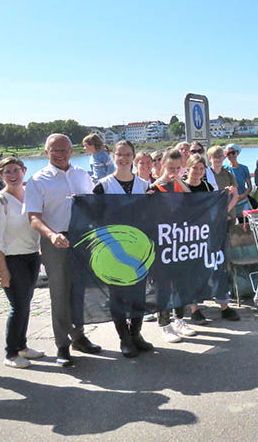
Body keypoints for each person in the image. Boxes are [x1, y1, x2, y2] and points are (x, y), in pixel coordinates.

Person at [25, 133, 102, 367]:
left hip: (82, 239)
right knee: (59, 294)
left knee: (80, 291)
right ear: (46, 152)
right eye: (55, 150)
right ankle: (62, 344)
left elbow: (92, 205)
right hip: (55, 241)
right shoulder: (38, 180)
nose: (60, 154)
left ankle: (79, 337)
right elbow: (33, 217)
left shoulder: (82, 175)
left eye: (65, 149)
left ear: (72, 150)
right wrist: (51, 235)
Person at [92, 140, 153, 358]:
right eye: (120, 154)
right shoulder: (103, 186)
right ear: (113, 156)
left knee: (138, 295)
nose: (124, 158)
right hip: (112, 248)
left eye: (128, 154)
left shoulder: (145, 186)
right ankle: (124, 338)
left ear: (133, 157)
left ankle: (136, 333)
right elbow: (94, 217)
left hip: (139, 248)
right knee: (117, 294)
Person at [0, 157, 45, 369]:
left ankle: (22, 346)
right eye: (7, 172)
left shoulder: (29, 196)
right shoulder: (0, 201)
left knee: (25, 304)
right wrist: (2, 269)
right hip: (12, 259)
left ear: (24, 171)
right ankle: (11, 353)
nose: (12, 176)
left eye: (16, 171)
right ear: (1, 175)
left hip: (32, 256)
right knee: (18, 306)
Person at [181, 154, 240, 326]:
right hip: (189, 236)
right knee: (192, 271)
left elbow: (215, 207)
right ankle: (194, 309)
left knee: (216, 267)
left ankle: (224, 305)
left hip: (207, 233)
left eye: (201, 169)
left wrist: (232, 197)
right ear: (188, 168)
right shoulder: (181, 185)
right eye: (195, 168)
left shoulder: (207, 185)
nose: (198, 172)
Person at [147, 148, 190, 343]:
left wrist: (179, 180)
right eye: (171, 167)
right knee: (163, 284)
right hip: (161, 243)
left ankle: (180, 319)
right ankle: (165, 324)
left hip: (179, 241)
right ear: (162, 164)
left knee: (181, 282)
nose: (174, 171)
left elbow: (193, 200)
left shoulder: (179, 184)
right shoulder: (154, 187)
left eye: (178, 168)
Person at [224, 143, 252, 221]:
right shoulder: (224, 169)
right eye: (228, 153)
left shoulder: (244, 168)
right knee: (231, 226)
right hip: (230, 203)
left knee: (245, 225)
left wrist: (242, 196)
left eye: (233, 153)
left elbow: (249, 187)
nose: (231, 155)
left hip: (243, 201)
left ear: (237, 153)